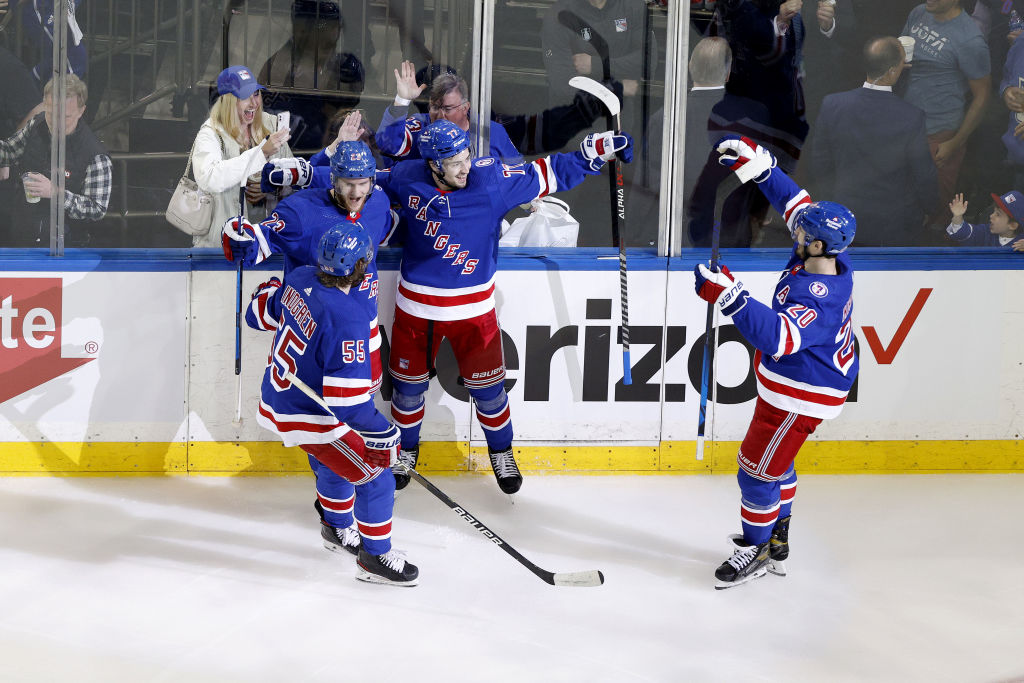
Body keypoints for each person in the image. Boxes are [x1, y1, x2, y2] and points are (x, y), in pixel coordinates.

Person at [377, 119, 633, 493]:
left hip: (474, 314)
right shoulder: (407, 175)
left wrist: (594, 151)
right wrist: (303, 175)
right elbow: (362, 183)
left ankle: (501, 451)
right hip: (417, 312)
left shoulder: (491, 179)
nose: (465, 166)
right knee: (407, 391)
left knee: (490, 393)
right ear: (433, 164)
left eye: (466, 156)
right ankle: (405, 450)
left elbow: (551, 171)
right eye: (454, 162)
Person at [693, 134, 858, 589]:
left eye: (804, 235)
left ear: (820, 247)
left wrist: (729, 295)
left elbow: (779, 338)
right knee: (777, 463)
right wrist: (762, 168)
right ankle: (778, 535)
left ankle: (757, 547)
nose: (795, 231)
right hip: (796, 385)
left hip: (800, 395)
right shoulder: (819, 258)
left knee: (756, 468)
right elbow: (796, 204)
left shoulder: (818, 296)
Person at [225, 140, 398, 550]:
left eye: (362, 183)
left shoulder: (377, 202)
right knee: (336, 434)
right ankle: (348, 525)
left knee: (335, 433)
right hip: (321, 337)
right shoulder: (301, 211)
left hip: (363, 332)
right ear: (332, 179)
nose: (355, 193)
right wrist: (243, 240)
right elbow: (259, 244)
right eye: (346, 184)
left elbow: (389, 224)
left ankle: (335, 517)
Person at [244, 223, 417, 586]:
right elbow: (347, 405)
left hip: (280, 395)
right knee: (377, 475)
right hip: (310, 415)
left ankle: (336, 529)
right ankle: (375, 558)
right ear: (359, 267)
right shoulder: (347, 317)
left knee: (337, 462)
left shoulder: (301, 276)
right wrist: (385, 434)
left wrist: (270, 290)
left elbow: (258, 314)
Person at [809, 36, 939, 246]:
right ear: (893, 71)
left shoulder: (833, 104)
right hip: (892, 224)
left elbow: (821, 162)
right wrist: (931, 209)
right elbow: (923, 174)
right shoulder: (911, 116)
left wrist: (832, 203)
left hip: (842, 217)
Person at [900, 0, 990, 232]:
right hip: (908, 124)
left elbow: (982, 97)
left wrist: (954, 143)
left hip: (940, 131)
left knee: (933, 209)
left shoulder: (970, 40)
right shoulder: (919, 12)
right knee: (904, 200)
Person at [0, 74, 111, 247]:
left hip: (65, 244)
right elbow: (9, 151)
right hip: (22, 230)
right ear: (44, 105)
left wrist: (55, 193)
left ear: (81, 111)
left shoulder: (95, 155)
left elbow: (97, 209)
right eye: (51, 113)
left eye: (65, 116)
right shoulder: (36, 124)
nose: (56, 122)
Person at [190, 65, 292, 248]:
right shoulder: (211, 133)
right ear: (228, 101)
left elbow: (292, 175)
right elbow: (210, 178)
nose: (254, 104)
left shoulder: (270, 123)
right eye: (245, 96)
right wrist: (261, 154)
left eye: (256, 94)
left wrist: (270, 186)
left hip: (265, 244)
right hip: (219, 247)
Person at [258, 1, 365, 151]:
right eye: (326, 45)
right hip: (296, 153)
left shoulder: (332, 64)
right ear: (304, 30)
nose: (330, 50)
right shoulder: (286, 69)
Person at [375, 61, 522, 165]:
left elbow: (518, 175)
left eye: (447, 108)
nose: (440, 115)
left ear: (465, 108)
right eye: (435, 107)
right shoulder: (420, 124)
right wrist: (402, 100)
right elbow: (388, 144)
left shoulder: (491, 132)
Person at [946, 190, 1024, 249]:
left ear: (1012, 225)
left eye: (998, 214)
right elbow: (963, 232)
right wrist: (958, 216)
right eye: (994, 211)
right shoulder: (984, 232)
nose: (991, 216)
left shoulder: (1022, 243)